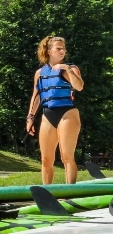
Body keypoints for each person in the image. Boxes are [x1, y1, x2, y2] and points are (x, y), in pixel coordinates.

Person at [25, 36, 84, 184]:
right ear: (49, 51)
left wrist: (67, 69)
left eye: (63, 48)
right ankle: (47, 194)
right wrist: (30, 118)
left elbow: (79, 86)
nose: (62, 51)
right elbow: (36, 96)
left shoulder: (71, 68)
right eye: (58, 48)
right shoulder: (40, 73)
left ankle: (70, 193)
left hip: (67, 113)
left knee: (66, 156)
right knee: (45, 159)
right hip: (48, 114)